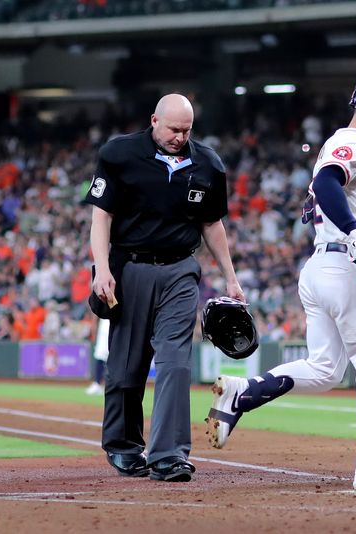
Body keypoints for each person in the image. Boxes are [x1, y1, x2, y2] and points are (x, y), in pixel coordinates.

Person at [206, 73, 356, 491]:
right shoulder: (354, 142)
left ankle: (242, 393)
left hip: (322, 267)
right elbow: (326, 182)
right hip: (345, 267)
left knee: (325, 369)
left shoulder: (347, 144)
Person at [85, 93, 244, 482]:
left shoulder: (208, 163)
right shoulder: (119, 153)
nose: (179, 136)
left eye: (186, 130)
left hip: (179, 271)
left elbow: (211, 225)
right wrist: (101, 269)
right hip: (130, 268)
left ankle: (169, 455)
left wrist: (230, 276)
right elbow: (101, 215)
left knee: (175, 362)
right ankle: (123, 446)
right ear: (154, 120)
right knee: (125, 366)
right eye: (173, 129)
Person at [85, 317, 109, 395]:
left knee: (101, 356)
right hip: (106, 323)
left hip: (110, 324)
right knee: (100, 355)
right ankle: (98, 383)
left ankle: (98, 384)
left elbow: (112, 305)